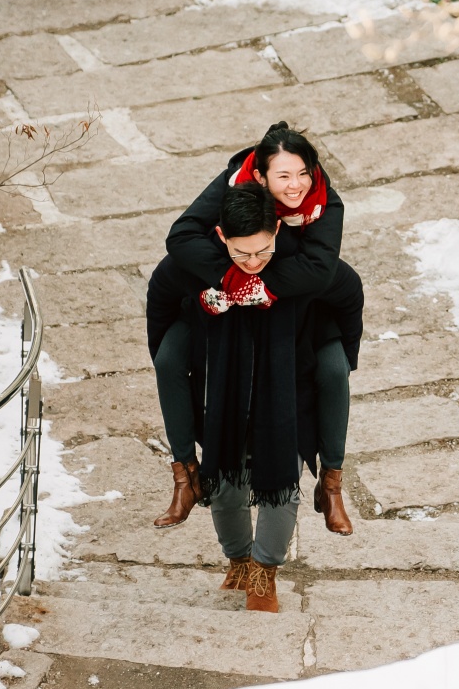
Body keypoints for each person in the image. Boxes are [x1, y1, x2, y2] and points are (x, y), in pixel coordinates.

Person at [147, 123, 366, 541]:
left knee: (334, 372)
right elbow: (180, 237)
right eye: (283, 175)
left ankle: (331, 481)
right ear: (260, 178)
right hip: (221, 296)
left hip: (302, 300)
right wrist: (231, 278)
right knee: (169, 360)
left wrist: (264, 285)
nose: (297, 185)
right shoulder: (233, 189)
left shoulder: (324, 201)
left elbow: (325, 272)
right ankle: (185, 473)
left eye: (303, 172)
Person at [182, 183, 317, 613]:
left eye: (263, 251)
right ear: (222, 237)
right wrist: (202, 305)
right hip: (228, 394)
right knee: (224, 480)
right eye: (243, 254)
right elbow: (165, 297)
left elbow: (347, 292)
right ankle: (238, 562)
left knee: (282, 481)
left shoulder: (300, 265)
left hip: (286, 394)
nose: (254, 263)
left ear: (277, 229)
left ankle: (264, 573)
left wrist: (336, 357)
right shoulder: (201, 266)